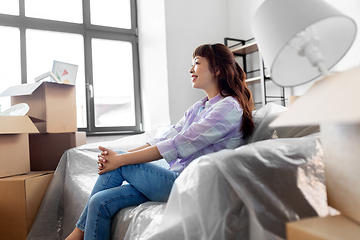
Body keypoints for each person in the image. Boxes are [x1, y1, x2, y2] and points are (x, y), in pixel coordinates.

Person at [65, 43, 255, 240]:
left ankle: (76, 234)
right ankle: (79, 233)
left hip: (192, 185)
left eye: (197, 63)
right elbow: (164, 138)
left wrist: (120, 159)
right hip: (175, 178)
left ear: (217, 69)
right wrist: (116, 157)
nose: (191, 69)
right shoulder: (199, 107)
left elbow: (178, 144)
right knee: (99, 202)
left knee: (121, 162)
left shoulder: (228, 108)